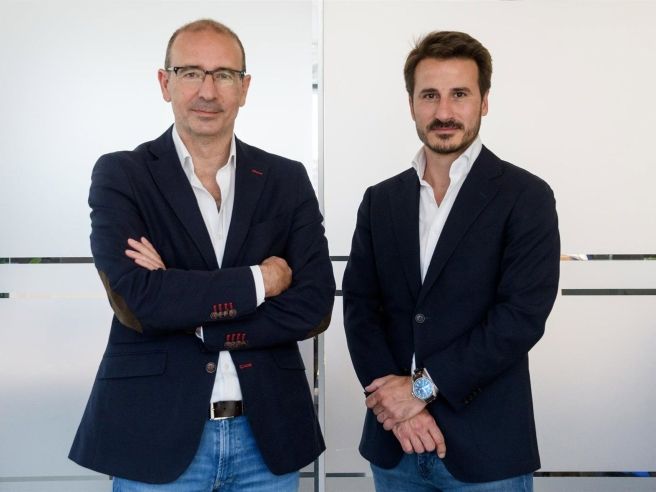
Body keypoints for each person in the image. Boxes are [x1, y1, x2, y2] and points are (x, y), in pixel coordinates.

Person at [69, 19, 335, 491]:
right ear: (164, 82)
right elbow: (140, 301)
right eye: (190, 72)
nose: (207, 91)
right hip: (154, 436)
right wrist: (262, 281)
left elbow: (314, 305)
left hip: (267, 439)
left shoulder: (286, 180)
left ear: (244, 88)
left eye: (224, 75)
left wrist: (192, 312)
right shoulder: (122, 175)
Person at [342, 31, 560, 491]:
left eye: (459, 94)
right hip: (394, 445)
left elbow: (519, 319)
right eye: (430, 95)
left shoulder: (525, 196)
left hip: (486, 451)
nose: (444, 112)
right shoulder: (380, 200)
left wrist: (418, 390)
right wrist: (396, 407)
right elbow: (360, 308)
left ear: (484, 102)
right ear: (411, 104)